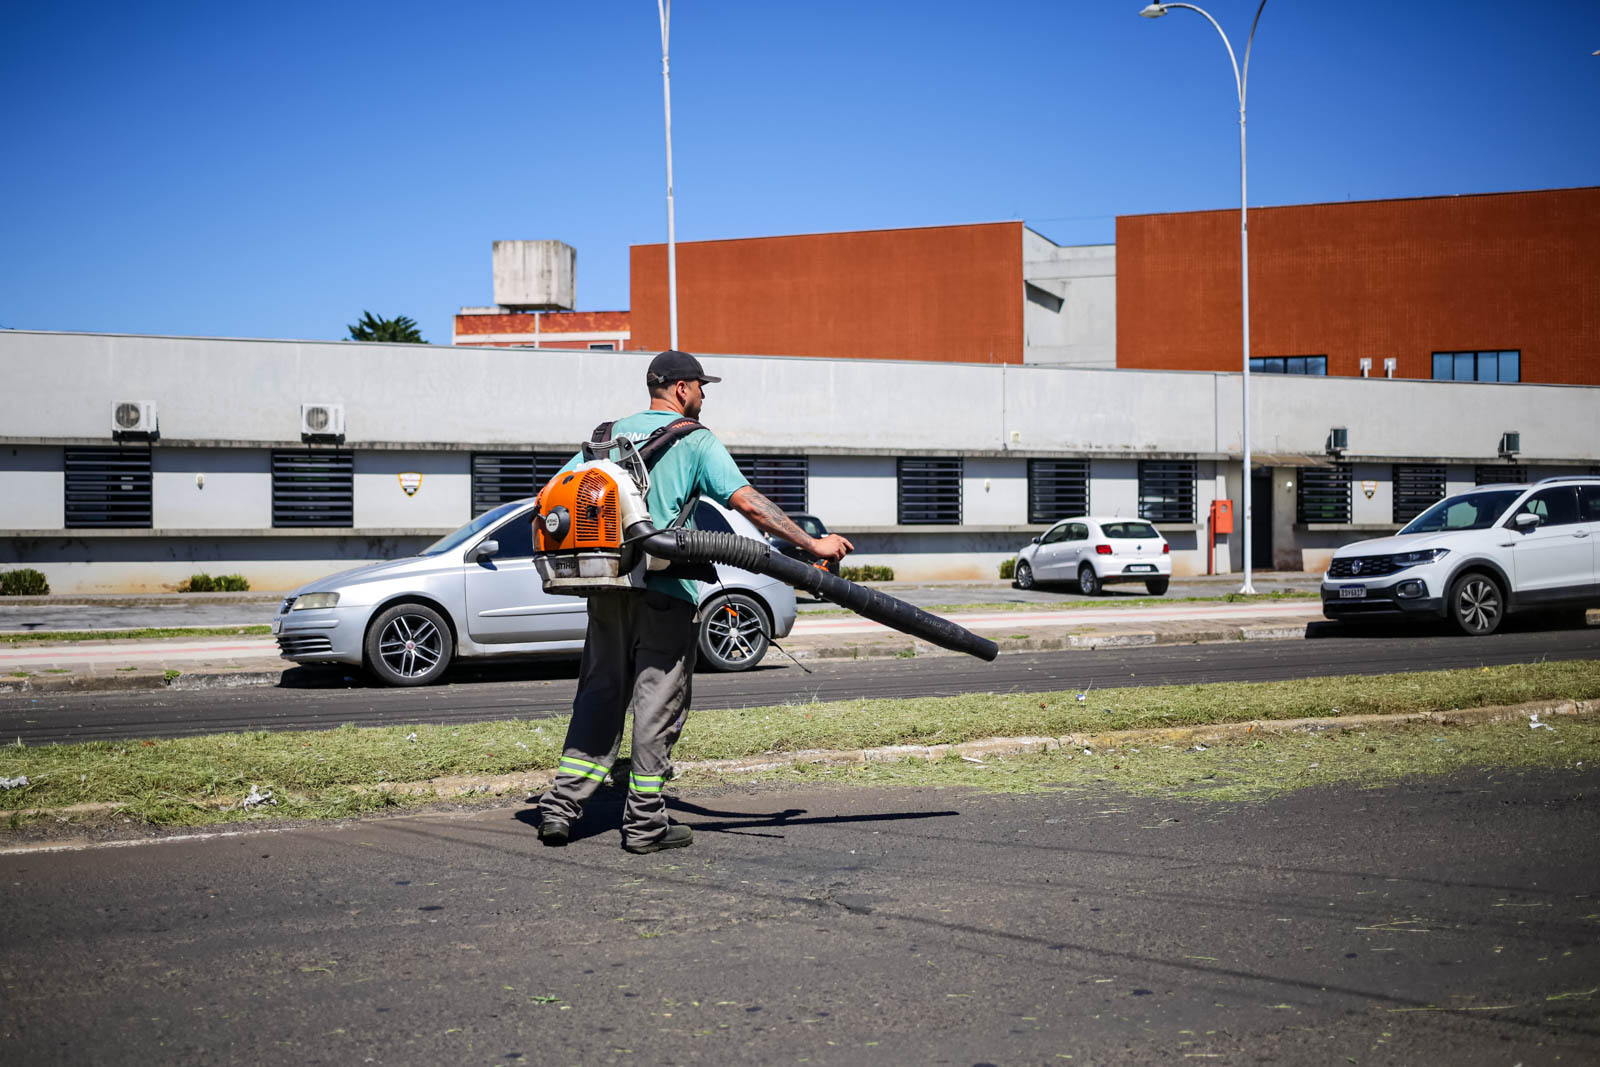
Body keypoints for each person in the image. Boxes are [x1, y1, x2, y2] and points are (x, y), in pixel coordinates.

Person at [537, 349, 854, 853]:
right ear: (682, 389)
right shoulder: (695, 439)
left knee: (598, 697)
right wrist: (812, 544)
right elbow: (749, 502)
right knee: (656, 707)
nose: (704, 396)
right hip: (665, 594)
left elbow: (553, 494)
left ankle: (559, 810)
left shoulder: (604, 438)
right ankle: (645, 826)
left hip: (607, 591)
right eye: (701, 387)